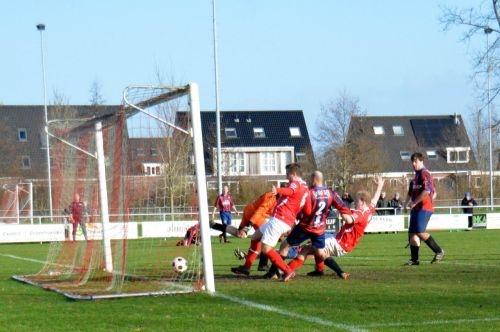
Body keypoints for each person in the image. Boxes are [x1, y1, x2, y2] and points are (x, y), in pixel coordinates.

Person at [287, 176, 385, 279]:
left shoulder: (360, 213)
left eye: (357, 201)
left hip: (341, 243)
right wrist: (379, 186)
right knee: (315, 243)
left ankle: (286, 270)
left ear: (363, 202)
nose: (355, 202)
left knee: (307, 249)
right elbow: (375, 199)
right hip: (342, 241)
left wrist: (339, 206)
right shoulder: (369, 209)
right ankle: (319, 270)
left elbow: (349, 220)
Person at [231, 163, 308, 281]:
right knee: (256, 237)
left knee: (266, 248)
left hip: (280, 219)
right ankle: (246, 267)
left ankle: (288, 271)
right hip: (282, 219)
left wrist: (278, 190)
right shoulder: (305, 188)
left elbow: (290, 191)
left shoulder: (296, 184)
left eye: (287, 174)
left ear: (293, 174)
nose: (287, 177)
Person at [271, 170, 351, 279]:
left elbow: (303, 209)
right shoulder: (331, 193)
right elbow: (343, 207)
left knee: (285, 245)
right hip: (319, 230)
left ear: (314, 179)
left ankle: (275, 273)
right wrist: (348, 216)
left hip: (305, 227)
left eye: (310, 179)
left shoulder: (309, 192)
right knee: (321, 253)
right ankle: (340, 272)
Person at [213, 191, 277, 271]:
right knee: (265, 238)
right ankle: (262, 265)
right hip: (255, 215)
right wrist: (249, 225)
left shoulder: (271, 194)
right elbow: (260, 211)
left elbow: (261, 200)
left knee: (239, 233)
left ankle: (214, 225)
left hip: (249, 210)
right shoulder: (272, 198)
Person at [403, 152, 444, 265]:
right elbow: (410, 193)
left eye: (415, 161)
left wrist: (414, 203)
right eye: (412, 162)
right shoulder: (415, 177)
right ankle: (414, 260)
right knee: (412, 233)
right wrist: (405, 204)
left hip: (424, 208)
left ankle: (439, 251)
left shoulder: (425, 173)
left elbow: (427, 191)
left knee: (420, 232)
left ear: (421, 161)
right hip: (416, 208)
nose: (413, 164)